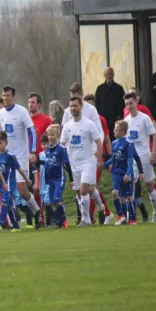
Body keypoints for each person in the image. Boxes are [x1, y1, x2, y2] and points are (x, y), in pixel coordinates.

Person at [0, 85, 42, 226]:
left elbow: (32, 131)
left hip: (21, 157)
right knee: (6, 190)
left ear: (13, 97)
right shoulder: (0, 113)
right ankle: (11, 222)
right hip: (6, 158)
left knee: (22, 190)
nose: (5, 98)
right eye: (3, 95)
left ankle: (37, 211)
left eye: (8, 96)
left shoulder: (21, 111)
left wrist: (33, 152)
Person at [60, 97, 104, 227]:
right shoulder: (67, 126)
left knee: (84, 190)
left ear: (81, 107)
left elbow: (98, 142)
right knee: (84, 190)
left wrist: (99, 160)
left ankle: (86, 220)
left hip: (88, 162)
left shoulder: (89, 124)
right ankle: (100, 206)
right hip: (74, 164)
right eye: (71, 106)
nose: (73, 108)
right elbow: (62, 145)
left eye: (75, 106)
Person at [123, 87, 156, 221]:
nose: (129, 106)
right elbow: (126, 141)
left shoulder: (145, 118)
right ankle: (131, 216)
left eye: (131, 103)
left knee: (150, 185)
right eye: (127, 104)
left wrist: (153, 152)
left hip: (145, 155)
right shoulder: (126, 121)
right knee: (131, 184)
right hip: (132, 158)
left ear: (136, 102)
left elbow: (154, 136)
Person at [83, 94, 114, 224]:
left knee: (91, 185)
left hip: (97, 157)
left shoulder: (100, 119)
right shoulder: (81, 120)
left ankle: (103, 213)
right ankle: (100, 213)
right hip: (85, 158)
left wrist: (110, 158)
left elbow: (106, 139)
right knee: (90, 187)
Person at [101, 121, 139, 226]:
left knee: (128, 197)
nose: (114, 131)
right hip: (116, 172)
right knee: (115, 193)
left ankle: (132, 219)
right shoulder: (114, 143)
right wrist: (103, 165)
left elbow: (131, 160)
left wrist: (128, 173)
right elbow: (114, 158)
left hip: (125, 173)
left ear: (123, 131)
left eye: (116, 129)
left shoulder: (129, 143)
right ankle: (121, 215)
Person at [0, 131, 30, 232]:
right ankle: (15, 225)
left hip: (9, 183)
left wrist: (26, 179)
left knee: (4, 202)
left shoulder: (10, 156)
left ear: (6, 143)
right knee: (10, 205)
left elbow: (19, 169)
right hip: (1, 183)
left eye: (1, 143)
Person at [41, 124, 72, 229]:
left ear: (57, 136)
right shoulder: (48, 149)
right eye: (49, 135)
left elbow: (66, 164)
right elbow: (48, 163)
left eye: (52, 135)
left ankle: (64, 220)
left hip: (59, 178)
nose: (50, 137)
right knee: (52, 201)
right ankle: (59, 222)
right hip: (50, 179)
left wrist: (71, 179)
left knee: (57, 199)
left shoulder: (61, 149)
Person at [28, 92, 52, 220]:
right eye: (29, 102)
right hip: (29, 159)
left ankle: (48, 215)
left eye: (33, 102)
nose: (30, 105)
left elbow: (52, 137)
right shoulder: (26, 119)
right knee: (32, 188)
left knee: (42, 188)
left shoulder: (46, 120)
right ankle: (39, 216)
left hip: (42, 159)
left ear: (39, 104)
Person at [95, 67, 126, 139]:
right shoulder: (100, 89)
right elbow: (97, 104)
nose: (109, 76)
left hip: (116, 119)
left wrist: (121, 117)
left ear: (113, 75)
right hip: (104, 119)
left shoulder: (119, 88)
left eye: (111, 74)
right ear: (104, 75)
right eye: (107, 74)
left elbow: (123, 104)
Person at [38, 134, 53, 227]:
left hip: (50, 181)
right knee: (44, 203)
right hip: (42, 182)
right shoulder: (40, 155)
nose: (46, 146)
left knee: (48, 201)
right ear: (41, 145)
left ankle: (48, 223)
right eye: (44, 144)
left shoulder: (52, 154)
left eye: (47, 143)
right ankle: (55, 218)